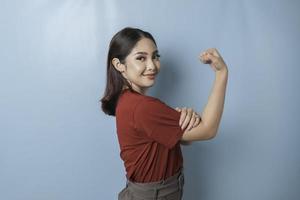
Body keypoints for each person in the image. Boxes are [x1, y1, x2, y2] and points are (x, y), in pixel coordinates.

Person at [100, 27, 228, 200]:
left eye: (155, 56)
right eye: (141, 58)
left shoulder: (129, 102)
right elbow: (208, 130)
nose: (152, 65)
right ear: (119, 65)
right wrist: (221, 73)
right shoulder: (143, 107)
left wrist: (184, 121)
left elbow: (181, 138)